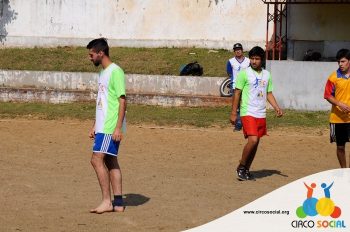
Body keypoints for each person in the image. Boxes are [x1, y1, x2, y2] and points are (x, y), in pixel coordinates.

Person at [230, 46, 283, 181]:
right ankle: (241, 167)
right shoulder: (244, 73)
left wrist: (276, 107)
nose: (254, 61)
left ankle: (246, 169)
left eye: (257, 59)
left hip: (261, 113)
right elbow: (237, 93)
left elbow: (268, 93)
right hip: (247, 111)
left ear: (262, 60)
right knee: (252, 140)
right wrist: (233, 113)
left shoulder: (267, 75)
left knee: (256, 142)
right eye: (252, 59)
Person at [87, 38, 126, 213]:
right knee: (111, 160)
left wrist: (117, 127)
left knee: (96, 160)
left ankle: (106, 201)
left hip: (110, 126)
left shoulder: (115, 71)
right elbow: (102, 101)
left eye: (91, 54)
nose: (90, 58)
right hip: (103, 125)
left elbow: (122, 100)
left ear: (101, 53)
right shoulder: (103, 73)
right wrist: (95, 124)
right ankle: (118, 203)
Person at [324, 48, 350, 168]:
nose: (340, 64)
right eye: (339, 62)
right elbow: (327, 95)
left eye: (343, 61)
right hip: (337, 119)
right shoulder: (333, 77)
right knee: (340, 146)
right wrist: (339, 104)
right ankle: (344, 170)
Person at [226, 43, 250, 131]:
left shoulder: (248, 61)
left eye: (239, 49)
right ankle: (238, 124)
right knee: (236, 106)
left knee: (246, 105)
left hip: (246, 86)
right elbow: (229, 73)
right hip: (235, 87)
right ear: (234, 51)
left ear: (242, 50)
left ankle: (246, 123)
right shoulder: (230, 61)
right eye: (236, 50)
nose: (238, 51)